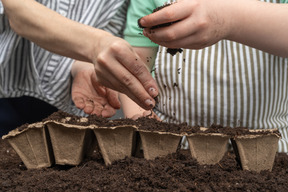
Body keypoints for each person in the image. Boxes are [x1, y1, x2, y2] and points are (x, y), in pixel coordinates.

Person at [121, 0, 288, 152]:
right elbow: (135, 64)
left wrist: (228, 19)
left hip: (267, 150)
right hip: (173, 148)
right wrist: (142, 116)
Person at [0, 0, 157, 136]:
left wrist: (84, 66)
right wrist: (97, 45)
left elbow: (112, 23)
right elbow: (17, 11)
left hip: (63, 97)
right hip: (5, 84)